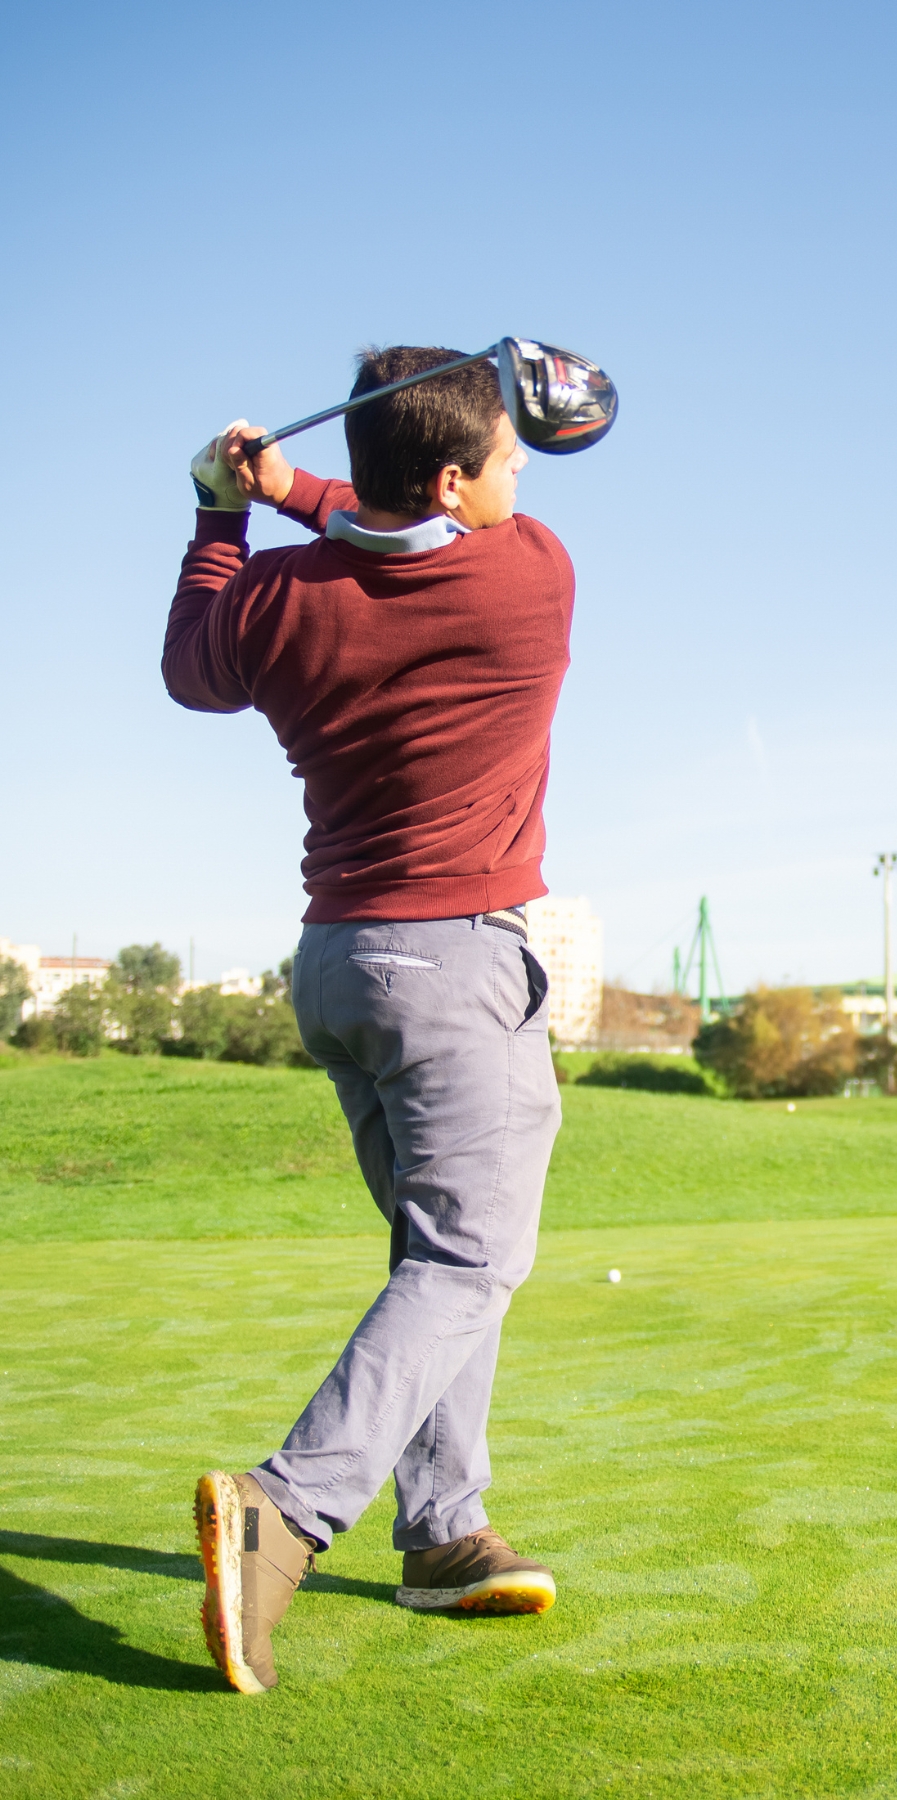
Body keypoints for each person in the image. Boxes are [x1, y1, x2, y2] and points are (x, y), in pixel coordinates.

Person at [163, 346, 574, 1695]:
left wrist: (230, 507)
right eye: (508, 460)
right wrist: (292, 490)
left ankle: (444, 1530)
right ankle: (289, 1508)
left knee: (437, 1255)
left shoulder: (277, 599)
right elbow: (392, 526)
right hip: (456, 971)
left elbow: (194, 671)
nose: (522, 479)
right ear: (455, 481)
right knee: (467, 1264)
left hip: (339, 966)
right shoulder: (529, 577)